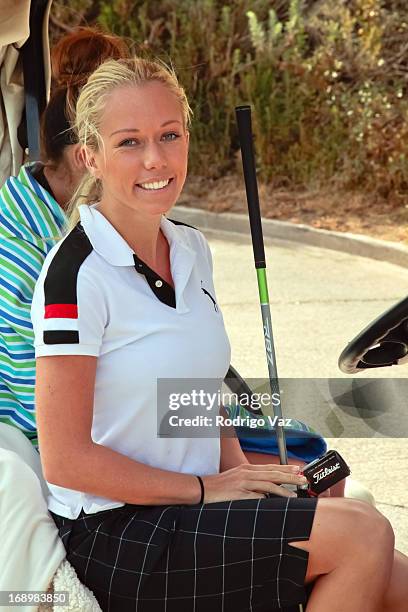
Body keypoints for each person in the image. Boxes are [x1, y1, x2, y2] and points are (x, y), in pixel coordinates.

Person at [31, 56, 408, 612]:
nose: (155, 158)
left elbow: (199, 395)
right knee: (363, 535)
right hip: (120, 533)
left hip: (193, 506)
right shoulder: (75, 276)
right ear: (91, 155)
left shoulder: (190, 248)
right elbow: (67, 462)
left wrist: (248, 473)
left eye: (169, 135)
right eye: (130, 142)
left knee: (395, 573)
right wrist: (209, 489)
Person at [0, 27, 129, 603]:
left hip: (133, 423)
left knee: (308, 461)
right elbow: (43, 406)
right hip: (50, 443)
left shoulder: (142, 231)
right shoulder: (21, 239)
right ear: (86, 155)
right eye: (129, 145)